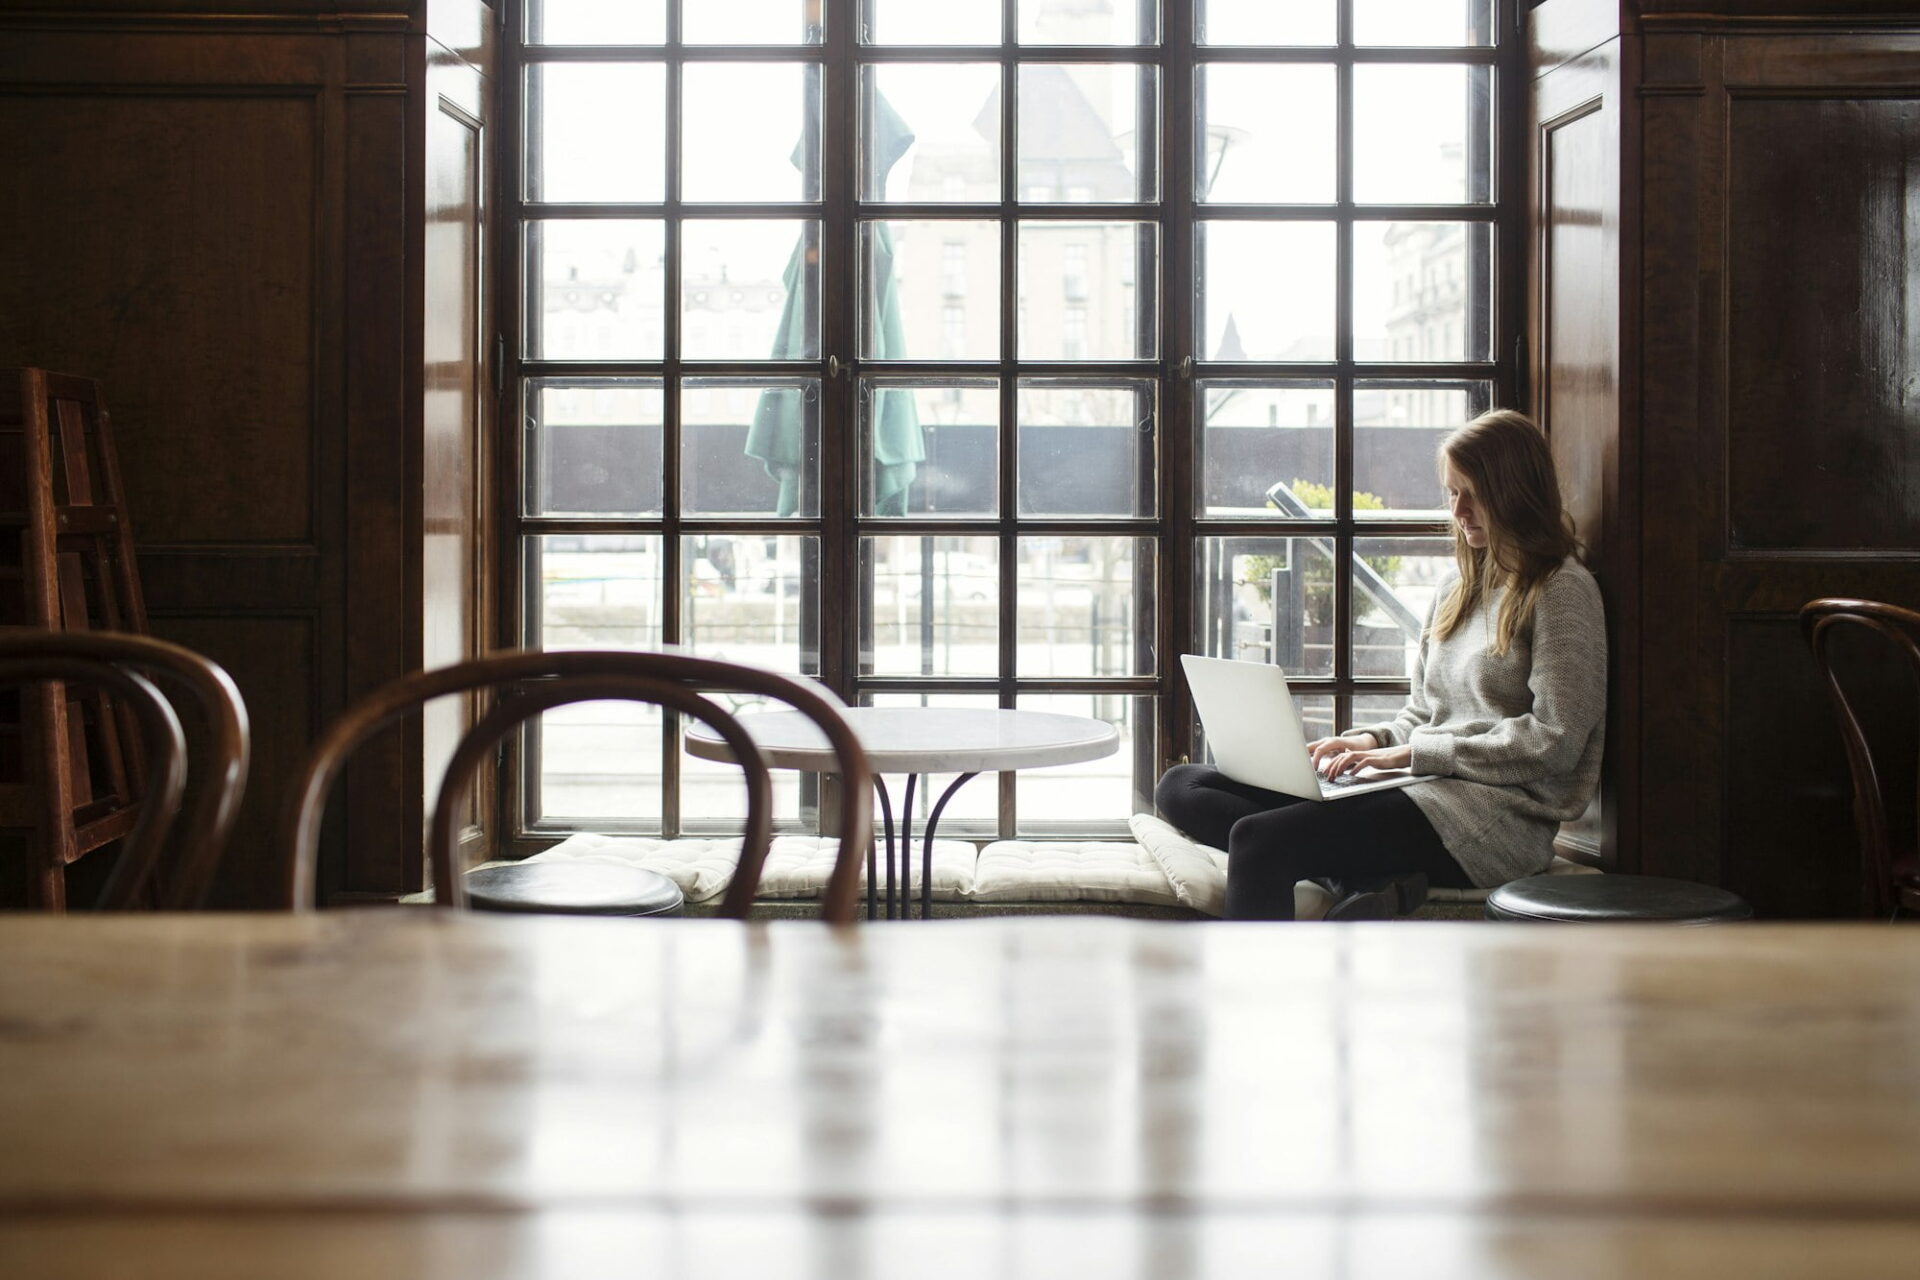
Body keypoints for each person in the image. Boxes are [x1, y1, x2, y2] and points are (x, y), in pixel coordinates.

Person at [1155, 410, 1607, 920]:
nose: (1458, 510)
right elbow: (1423, 713)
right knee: (1182, 787)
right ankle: (1368, 879)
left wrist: (1414, 757)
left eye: (1473, 493)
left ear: (1516, 490)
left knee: (1259, 839)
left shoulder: (1562, 591)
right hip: (1420, 789)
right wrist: (1370, 742)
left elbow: (1557, 741)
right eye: (1451, 492)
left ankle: (1265, 986)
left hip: (1492, 818)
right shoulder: (1455, 591)